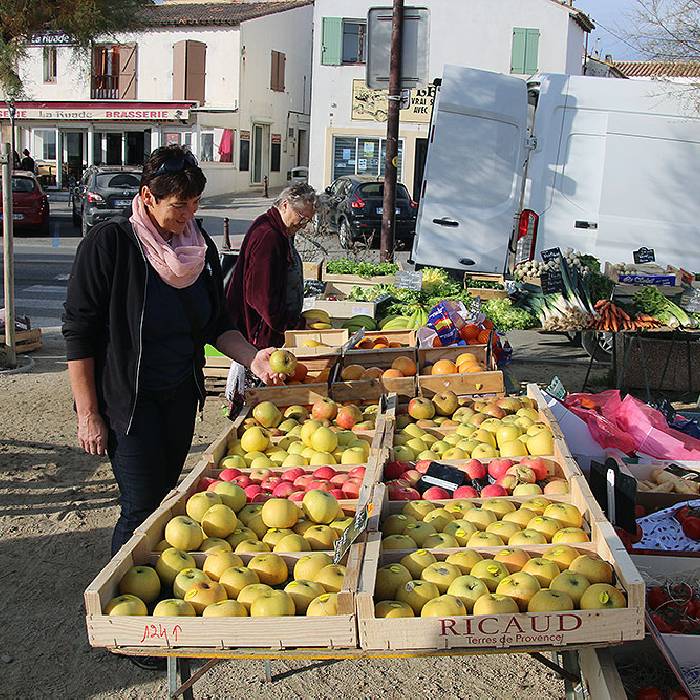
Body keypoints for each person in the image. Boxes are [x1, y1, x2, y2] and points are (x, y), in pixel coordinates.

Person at [63, 144, 282, 558]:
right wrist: (88, 412)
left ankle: (158, 591)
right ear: (148, 196)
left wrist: (252, 356)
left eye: (195, 204)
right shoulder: (111, 245)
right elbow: (79, 333)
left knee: (167, 499)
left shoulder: (200, 251)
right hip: (129, 403)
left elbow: (216, 325)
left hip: (179, 395)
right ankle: (119, 605)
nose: (188, 215)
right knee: (140, 506)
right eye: (179, 205)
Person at [227, 182, 317, 349]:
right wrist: (293, 326)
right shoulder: (269, 236)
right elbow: (260, 296)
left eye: (308, 220)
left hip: (269, 330)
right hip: (260, 335)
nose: (303, 225)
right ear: (285, 205)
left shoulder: (280, 230)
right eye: (301, 217)